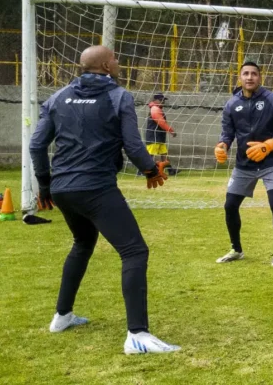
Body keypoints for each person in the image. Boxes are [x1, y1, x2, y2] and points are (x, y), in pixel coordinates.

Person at [29, 45, 181, 354]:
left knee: (83, 243)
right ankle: (137, 335)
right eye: (114, 58)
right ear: (106, 66)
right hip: (95, 187)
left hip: (62, 188)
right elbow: (133, 145)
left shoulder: (58, 97)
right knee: (134, 251)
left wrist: (45, 186)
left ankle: (62, 316)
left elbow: (36, 145)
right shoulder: (119, 96)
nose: (118, 61)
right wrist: (150, 170)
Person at [213, 61, 273, 266]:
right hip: (244, 165)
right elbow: (227, 133)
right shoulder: (232, 104)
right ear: (239, 77)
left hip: (271, 163)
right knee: (230, 206)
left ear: (260, 77)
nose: (249, 77)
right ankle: (236, 249)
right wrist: (222, 146)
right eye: (246, 74)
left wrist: (269, 144)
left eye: (254, 74)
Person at [145, 93, 178, 176]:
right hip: (154, 137)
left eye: (163, 100)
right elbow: (161, 122)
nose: (163, 102)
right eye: (161, 100)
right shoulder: (155, 109)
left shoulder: (157, 109)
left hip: (159, 136)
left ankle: (170, 170)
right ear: (155, 100)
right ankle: (143, 171)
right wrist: (171, 131)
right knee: (150, 155)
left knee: (164, 154)